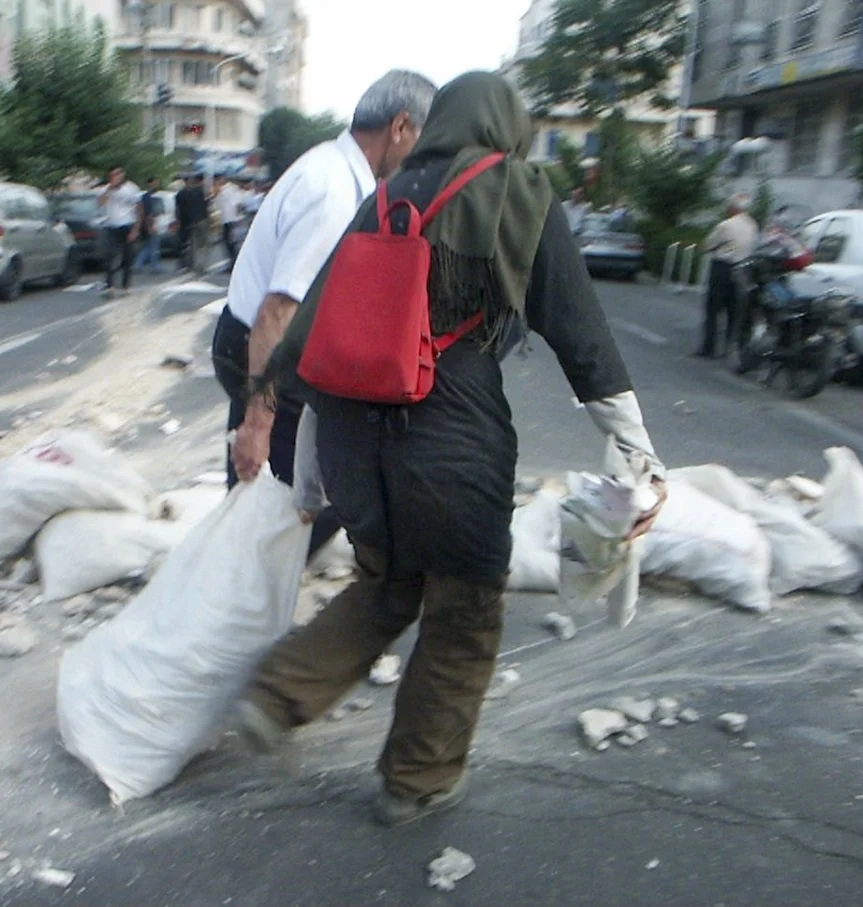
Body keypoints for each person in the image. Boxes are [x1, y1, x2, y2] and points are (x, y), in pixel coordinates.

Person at [235, 72, 668, 826]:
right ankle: (418, 779)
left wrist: (308, 475)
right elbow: (579, 332)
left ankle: (275, 696)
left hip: (350, 441)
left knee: (387, 581)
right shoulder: (515, 191)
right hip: (450, 436)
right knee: (463, 606)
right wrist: (634, 450)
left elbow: (314, 346)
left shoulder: (381, 198)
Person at [212, 69, 438, 557]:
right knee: (320, 488)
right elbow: (277, 314)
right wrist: (257, 426)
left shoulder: (335, 169)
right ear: (400, 127)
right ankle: (245, 589)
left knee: (266, 492)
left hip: (258, 346)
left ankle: (239, 582)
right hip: (262, 347)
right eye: (423, 139)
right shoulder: (334, 193)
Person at [697, 194, 759, 358]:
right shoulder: (753, 225)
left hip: (722, 267)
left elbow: (709, 244)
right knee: (733, 309)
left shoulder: (725, 225)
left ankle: (708, 347)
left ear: (733, 208)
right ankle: (729, 346)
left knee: (713, 308)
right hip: (742, 269)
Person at [102, 166, 143, 297]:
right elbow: (100, 202)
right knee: (110, 256)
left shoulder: (131, 188)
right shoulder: (106, 189)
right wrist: (109, 189)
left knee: (127, 257)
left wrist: (136, 229)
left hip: (128, 225)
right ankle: (110, 286)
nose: (116, 177)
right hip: (111, 226)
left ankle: (125, 286)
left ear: (123, 175)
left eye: (118, 174)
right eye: (113, 175)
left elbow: (139, 208)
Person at [175, 173, 210, 273]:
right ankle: (202, 265)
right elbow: (206, 205)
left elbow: (180, 209)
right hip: (202, 219)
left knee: (193, 244)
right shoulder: (201, 191)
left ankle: (193, 265)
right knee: (203, 244)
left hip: (190, 221)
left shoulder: (182, 193)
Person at [133, 177, 165, 276]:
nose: (157, 185)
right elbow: (148, 213)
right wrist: (150, 226)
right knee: (154, 247)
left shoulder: (148, 196)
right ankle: (154, 266)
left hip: (149, 224)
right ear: (150, 184)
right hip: (150, 224)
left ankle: (138, 265)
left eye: (157, 183)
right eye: (155, 183)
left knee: (148, 246)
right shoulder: (147, 197)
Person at [215, 176, 245, 271]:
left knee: (230, 243)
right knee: (233, 243)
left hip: (229, 219)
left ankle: (233, 263)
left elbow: (218, 205)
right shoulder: (235, 190)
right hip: (233, 219)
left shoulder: (224, 190)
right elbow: (239, 204)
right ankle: (234, 263)